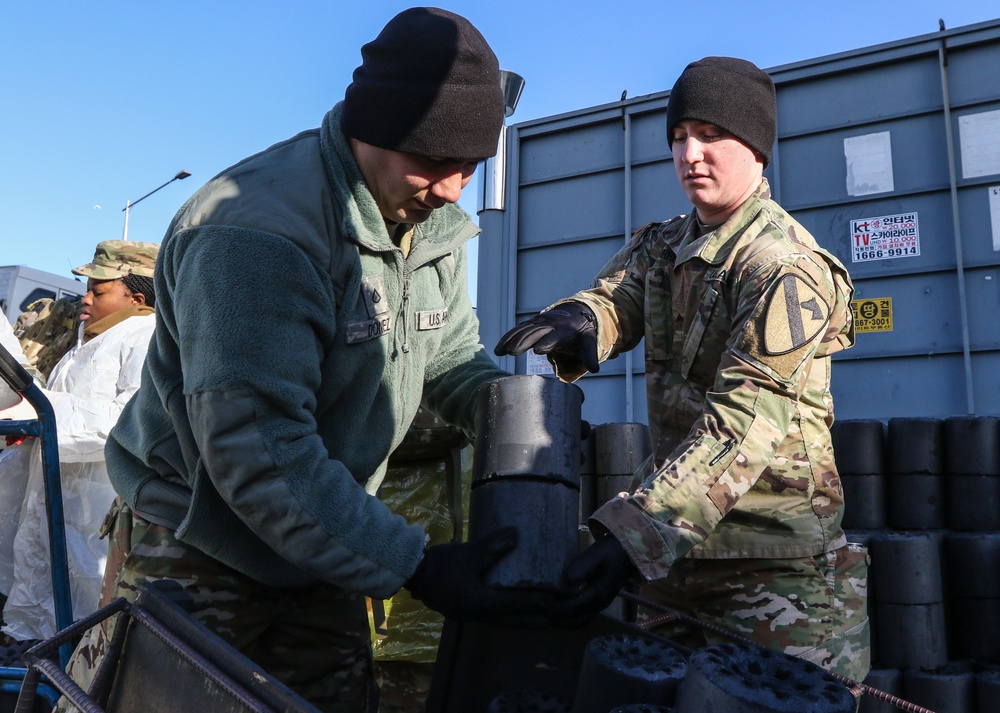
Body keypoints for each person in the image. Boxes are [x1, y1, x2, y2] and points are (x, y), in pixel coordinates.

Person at [69, 8, 545, 712]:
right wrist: (414, 563)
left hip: (323, 533)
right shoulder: (258, 233)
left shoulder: (427, 218)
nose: (451, 189)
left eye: (469, 168)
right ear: (371, 129)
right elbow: (257, 451)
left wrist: (527, 428)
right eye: (435, 163)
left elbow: (448, 357)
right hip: (204, 545)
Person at [496, 56, 870, 681]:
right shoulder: (665, 243)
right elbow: (623, 293)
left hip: (771, 569)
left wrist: (633, 536)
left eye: (710, 134)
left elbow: (742, 423)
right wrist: (584, 321)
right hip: (678, 557)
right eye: (677, 138)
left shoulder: (785, 267)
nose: (689, 153)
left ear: (755, 146)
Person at [1, 240, 158, 643]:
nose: (84, 299)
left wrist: (38, 412)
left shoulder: (144, 339)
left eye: (98, 290)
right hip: (60, 501)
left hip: (93, 509)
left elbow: (127, 420)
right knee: (42, 600)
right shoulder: (89, 344)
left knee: (83, 611)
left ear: (136, 297)